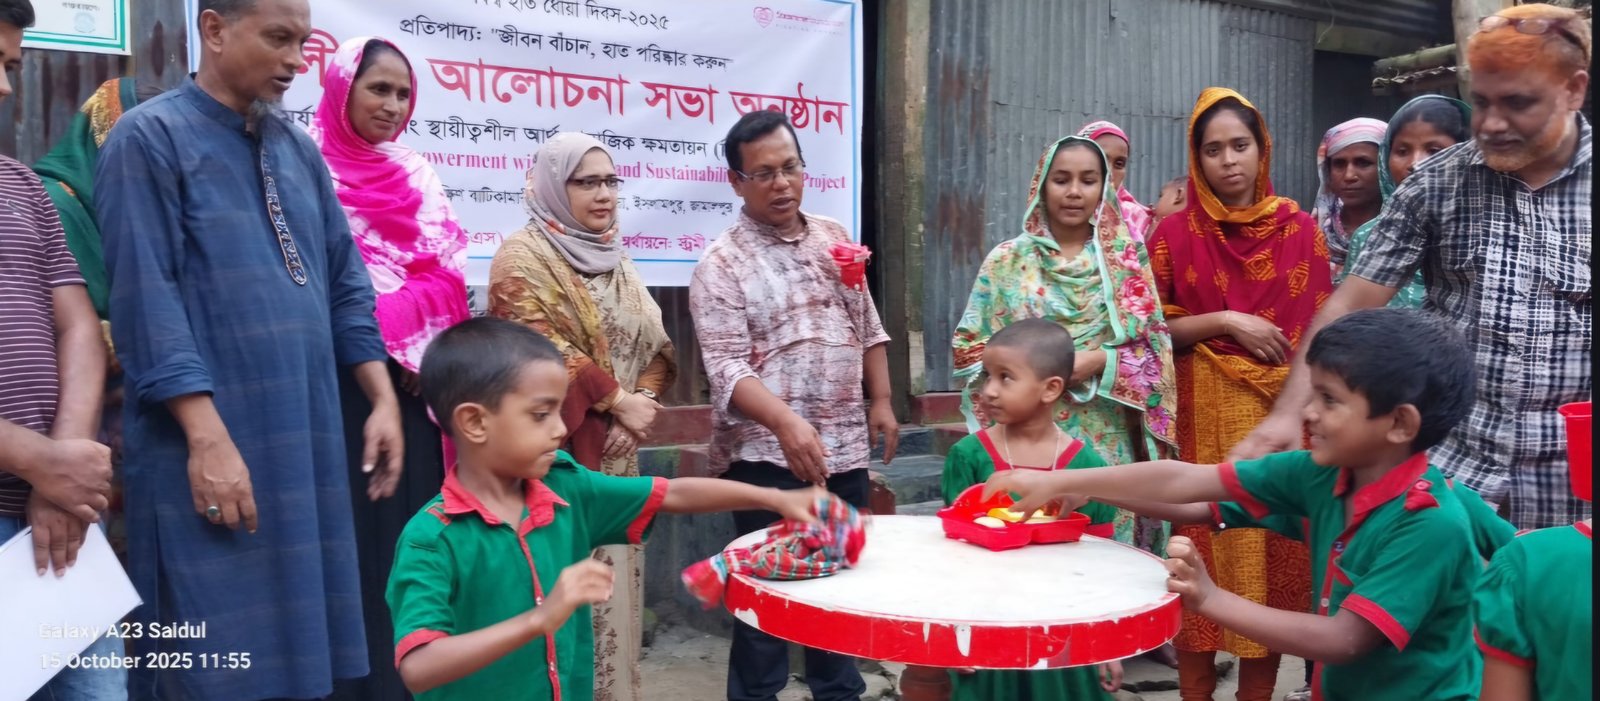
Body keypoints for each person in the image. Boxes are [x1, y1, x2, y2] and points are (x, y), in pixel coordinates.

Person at [96, 0, 406, 698]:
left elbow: (345, 285)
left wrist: (381, 397)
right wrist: (207, 440)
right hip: (204, 452)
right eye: (278, 38)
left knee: (302, 661)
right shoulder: (148, 140)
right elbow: (147, 304)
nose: (297, 60)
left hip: (304, 446)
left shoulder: (297, 150)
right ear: (212, 29)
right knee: (209, 663)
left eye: (303, 41)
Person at [987, 308, 1488, 701]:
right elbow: (1194, 488)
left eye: (1330, 400)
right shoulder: (1324, 473)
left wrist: (1210, 599)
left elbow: (1344, 639)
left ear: (1399, 424)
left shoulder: (1429, 524)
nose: (1307, 413)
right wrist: (1075, 484)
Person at [1232, 3, 1592, 531]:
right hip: (1453, 480)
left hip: (1574, 492)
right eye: (1480, 102)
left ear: (1574, 89)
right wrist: (1287, 418)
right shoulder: (1440, 184)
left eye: (1517, 103)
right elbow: (1352, 304)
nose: (1491, 124)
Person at [386, 316, 830, 701]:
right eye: (540, 415)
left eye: (560, 411)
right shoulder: (432, 540)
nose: (561, 428)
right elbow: (419, 665)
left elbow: (671, 494)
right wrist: (540, 619)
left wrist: (775, 498)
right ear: (475, 422)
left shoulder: (565, 488)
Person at [689, 109, 898, 701]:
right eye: (763, 174)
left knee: (839, 598)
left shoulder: (834, 239)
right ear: (736, 181)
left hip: (844, 451)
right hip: (765, 464)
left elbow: (866, 324)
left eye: (790, 168)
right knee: (768, 606)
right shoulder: (720, 265)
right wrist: (784, 421)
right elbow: (727, 368)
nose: (781, 184)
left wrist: (879, 400)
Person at [1145, 87, 1326, 701]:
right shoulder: (1172, 234)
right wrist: (1225, 320)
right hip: (1200, 418)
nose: (1229, 161)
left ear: (1261, 148)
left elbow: (1323, 333)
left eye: (1240, 146)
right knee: (1198, 557)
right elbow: (1147, 330)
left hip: (1281, 422)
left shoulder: (1300, 230)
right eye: (1214, 149)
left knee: (1272, 564)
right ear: (1197, 158)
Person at [309, 36, 470, 701]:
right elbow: (316, 282)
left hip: (412, 393)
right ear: (342, 87)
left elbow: (450, 279)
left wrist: (413, 347)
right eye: (378, 88)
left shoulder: (418, 173)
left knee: (409, 548)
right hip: (335, 392)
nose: (391, 104)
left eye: (403, 93)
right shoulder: (307, 170)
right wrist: (386, 341)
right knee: (347, 546)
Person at [488, 131, 674, 701]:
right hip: (557, 463)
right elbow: (534, 349)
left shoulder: (616, 255)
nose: (604, 195)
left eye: (610, 181)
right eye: (586, 182)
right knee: (561, 608)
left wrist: (643, 405)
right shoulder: (520, 258)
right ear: (552, 185)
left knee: (615, 606)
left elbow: (656, 343)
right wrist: (618, 403)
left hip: (619, 463)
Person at [951, 135, 1176, 552]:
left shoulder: (1126, 260)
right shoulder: (1007, 260)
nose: (1074, 192)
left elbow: (1154, 352)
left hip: (1101, 434)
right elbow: (966, 346)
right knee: (1014, 539)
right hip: (1019, 439)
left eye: (1088, 180)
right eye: (1061, 179)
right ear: (1041, 184)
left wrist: (1096, 361)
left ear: (1104, 189)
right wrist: (1026, 372)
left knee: (1099, 551)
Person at [0, 2, 121, 698]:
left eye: (11, 66)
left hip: (53, 527)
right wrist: (40, 460)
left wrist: (62, 467)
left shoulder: (21, 186)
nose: (8, 88)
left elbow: (77, 327)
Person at [941, 319, 1125, 700]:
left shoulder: (1086, 466)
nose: (989, 391)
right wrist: (955, 629)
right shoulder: (969, 456)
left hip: (1067, 631)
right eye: (987, 376)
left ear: (1050, 388)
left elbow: (1106, 563)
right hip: (989, 624)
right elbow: (952, 554)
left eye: (1005, 377)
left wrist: (1109, 642)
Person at [1339, 95, 1473, 309]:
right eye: (1402, 151)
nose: (1415, 164)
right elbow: (1350, 316)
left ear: (1466, 154)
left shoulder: (1487, 232)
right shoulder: (1369, 237)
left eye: (1434, 151)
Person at [1311, 118, 1386, 273]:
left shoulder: (1405, 232)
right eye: (1339, 164)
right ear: (1327, 172)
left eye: (1363, 163)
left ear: (1385, 168)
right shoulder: (1309, 233)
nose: (1349, 175)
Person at [1078, 120, 1154, 240]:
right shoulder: (1057, 209)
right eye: (1100, 158)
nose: (1109, 172)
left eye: (1119, 164)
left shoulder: (1139, 220)